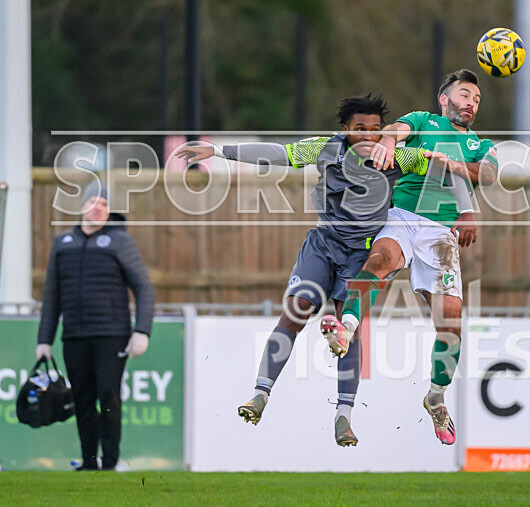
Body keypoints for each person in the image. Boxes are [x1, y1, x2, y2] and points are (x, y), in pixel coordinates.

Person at [177, 94, 470, 446]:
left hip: (359, 254)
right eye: (359, 129)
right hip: (323, 245)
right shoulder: (324, 148)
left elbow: (446, 172)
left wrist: (464, 211)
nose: (368, 136)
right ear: (345, 130)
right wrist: (220, 152)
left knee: (351, 330)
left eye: (376, 130)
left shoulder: (399, 157)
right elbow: (278, 156)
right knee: (295, 311)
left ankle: (343, 416)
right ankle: (260, 393)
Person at [321, 69, 498, 445]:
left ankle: (435, 396)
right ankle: (346, 329)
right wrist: (386, 142)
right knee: (381, 258)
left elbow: (489, 174)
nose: (471, 103)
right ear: (444, 99)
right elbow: (396, 132)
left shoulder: (480, 145)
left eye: (477, 99)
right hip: (403, 214)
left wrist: (457, 174)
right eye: (464, 95)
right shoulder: (422, 121)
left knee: (450, 322)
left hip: (440, 233)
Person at [36, 181, 155, 471]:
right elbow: (51, 295)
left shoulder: (120, 241)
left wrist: (142, 331)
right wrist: (44, 340)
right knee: (82, 398)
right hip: (74, 336)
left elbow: (144, 288)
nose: (98, 207)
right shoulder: (62, 244)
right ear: (81, 207)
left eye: (104, 204)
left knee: (108, 394)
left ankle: (111, 460)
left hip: (112, 335)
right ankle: (89, 462)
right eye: (94, 202)